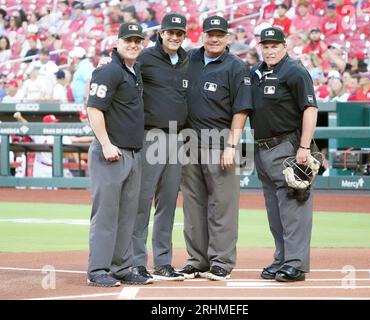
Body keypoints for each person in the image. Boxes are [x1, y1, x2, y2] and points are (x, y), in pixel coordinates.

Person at [178, 16, 253, 281]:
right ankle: (197, 260)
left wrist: (232, 146)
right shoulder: (188, 59)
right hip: (188, 141)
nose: (215, 38)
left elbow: (241, 110)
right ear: (203, 35)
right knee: (193, 204)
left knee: (223, 204)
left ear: (228, 38)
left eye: (220, 34)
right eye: (211, 33)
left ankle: (221, 261)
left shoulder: (236, 66)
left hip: (220, 140)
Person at [249, 27, 318, 282]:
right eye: (265, 45)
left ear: (284, 46)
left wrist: (303, 147)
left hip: (288, 146)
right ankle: (282, 258)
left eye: (274, 45)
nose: (269, 50)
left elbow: (310, 108)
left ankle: (296, 264)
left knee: (294, 207)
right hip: (262, 148)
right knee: (275, 211)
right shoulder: (256, 72)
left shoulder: (295, 71)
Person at [86, 22, 152, 287]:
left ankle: (122, 267)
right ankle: (98, 270)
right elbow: (94, 109)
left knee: (127, 215)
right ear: (117, 41)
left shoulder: (133, 70)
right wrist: (105, 143)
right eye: (129, 40)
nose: (133, 44)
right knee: (106, 214)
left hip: (132, 152)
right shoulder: (108, 70)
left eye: (137, 40)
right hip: (111, 152)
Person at [127, 12, 189, 281]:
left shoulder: (189, 60)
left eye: (179, 33)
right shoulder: (145, 58)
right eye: (170, 32)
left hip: (178, 138)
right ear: (161, 33)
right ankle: (135, 262)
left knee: (168, 203)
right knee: (142, 201)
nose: (174, 36)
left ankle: (163, 262)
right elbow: (124, 76)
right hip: (150, 135)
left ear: (183, 36)